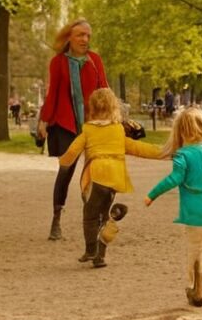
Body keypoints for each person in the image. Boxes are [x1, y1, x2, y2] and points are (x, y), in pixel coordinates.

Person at [57, 88, 162, 269]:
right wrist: (165, 152)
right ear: (114, 107)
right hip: (115, 176)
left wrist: (63, 162)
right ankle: (100, 256)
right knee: (104, 216)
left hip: (97, 175)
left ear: (91, 109)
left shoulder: (88, 130)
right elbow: (138, 148)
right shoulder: (118, 130)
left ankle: (91, 250)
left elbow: (73, 150)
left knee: (90, 215)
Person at [144, 107, 202, 308]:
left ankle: (195, 289)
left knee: (194, 248)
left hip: (195, 211)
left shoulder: (183, 155)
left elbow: (175, 179)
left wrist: (151, 195)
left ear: (180, 131)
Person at [37, 19, 109, 241]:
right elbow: (53, 93)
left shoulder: (94, 60)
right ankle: (57, 218)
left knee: (100, 172)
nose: (85, 40)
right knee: (66, 171)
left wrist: (112, 115)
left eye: (87, 35)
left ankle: (99, 218)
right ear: (69, 37)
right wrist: (44, 120)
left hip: (94, 124)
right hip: (68, 125)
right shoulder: (58, 62)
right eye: (80, 35)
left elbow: (104, 89)